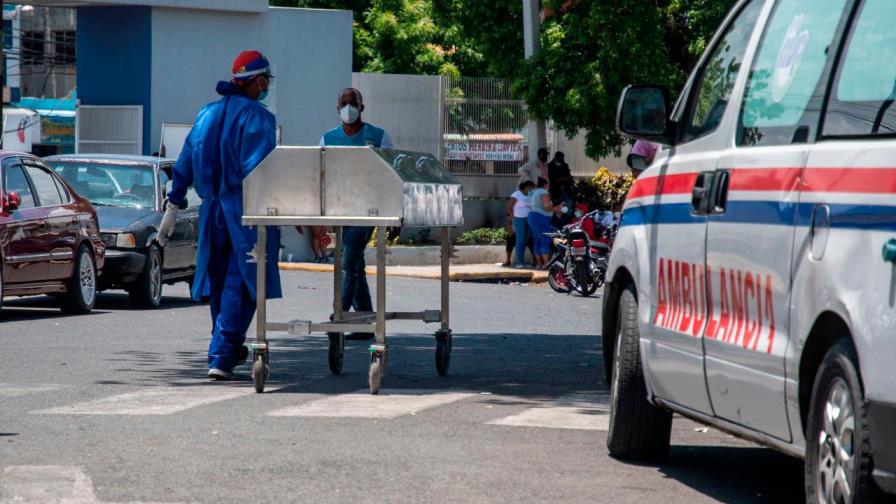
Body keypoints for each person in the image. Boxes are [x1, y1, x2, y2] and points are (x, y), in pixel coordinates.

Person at [159, 50, 280, 381]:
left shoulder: (205, 115)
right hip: (246, 211)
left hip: (210, 210)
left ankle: (226, 346)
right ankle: (222, 355)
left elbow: (183, 162)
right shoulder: (258, 117)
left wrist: (173, 204)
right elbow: (261, 170)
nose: (266, 87)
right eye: (265, 81)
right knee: (240, 283)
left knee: (217, 279)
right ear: (257, 81)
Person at [319, 87, 393, 340]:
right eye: (344, 103)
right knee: (355, 264)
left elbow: (393, 176)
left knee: (349, 258)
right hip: (341, 211)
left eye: (353, 103)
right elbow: (319, 177)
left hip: (369, 211)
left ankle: (338, 315)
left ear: (362, 107)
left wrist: (396, 212)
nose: (349, 107)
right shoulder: (327, 139)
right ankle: (364, 320)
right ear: (338, 108)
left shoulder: (379, 137)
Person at [527, 177, 557, 269]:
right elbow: (547, 206)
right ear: (546, 185)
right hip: (541, 218)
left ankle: (539, 264)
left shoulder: (534, 192)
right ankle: (546, 265)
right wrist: (557, 208)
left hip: (533, 217)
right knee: (545, 240)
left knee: (537, 240)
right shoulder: (543, 192)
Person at [505, 180, 535, 268]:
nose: (532, 189)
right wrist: (514, 217)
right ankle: (519, 262)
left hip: (528, 219)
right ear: (527, 187)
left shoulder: (530, 195)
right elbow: (509, 207)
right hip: (519, 219)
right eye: (531, 187)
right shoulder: (516, 194)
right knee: (520, 240)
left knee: (525, 240)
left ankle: (522, 262)